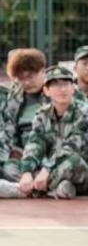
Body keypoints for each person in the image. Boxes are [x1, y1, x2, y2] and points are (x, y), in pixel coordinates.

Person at [14, 66, 88, 199]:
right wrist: (27, 171)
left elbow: (72, 147)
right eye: (56, 85)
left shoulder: (86, 112)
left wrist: (47, 170)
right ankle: (60, 188)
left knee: (72, 161)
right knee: (13, 166)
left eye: (66, 84)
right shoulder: (42, 114)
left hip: (80, 168)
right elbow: (35, 143)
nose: (62, 89)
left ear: (73, 88)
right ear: (46, 91)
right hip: (49, 167)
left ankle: (32, 189)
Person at [1, 49, 49, 187]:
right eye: (21, 78)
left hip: (50, 153)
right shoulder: (15, 96)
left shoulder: (56, 91)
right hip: (23, 154)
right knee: (9, 168)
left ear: (43, 71)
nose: (27, 82)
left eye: (31, 76)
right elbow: (8, 130)